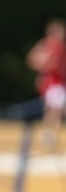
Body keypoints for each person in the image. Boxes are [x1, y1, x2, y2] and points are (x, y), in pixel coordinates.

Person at [26, 19, 66, 147]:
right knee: (55, 111)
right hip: (54, 84)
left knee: (53, 111)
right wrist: (46, 66)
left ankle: (49, 136)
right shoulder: (51, 45)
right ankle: (49, 136)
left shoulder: (53, 45)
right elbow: (35, 60)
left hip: (56, 83)